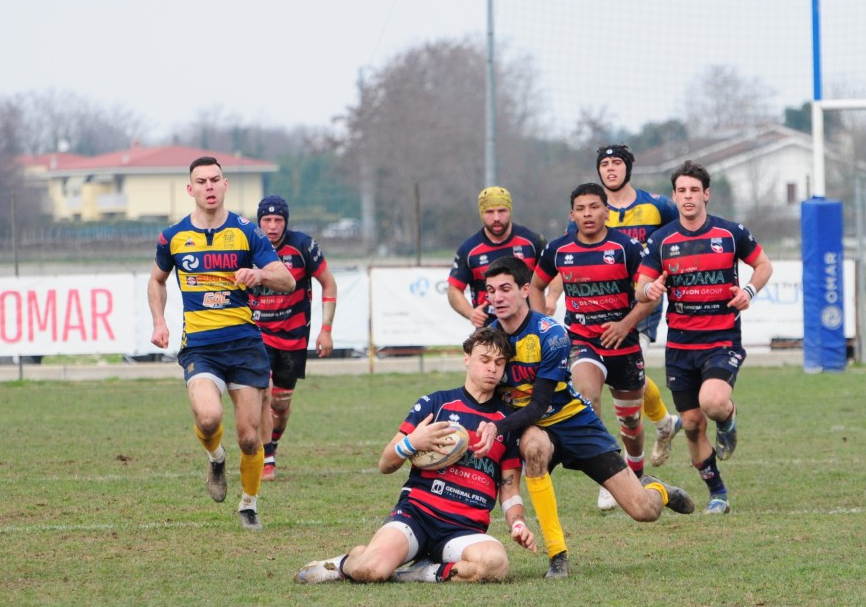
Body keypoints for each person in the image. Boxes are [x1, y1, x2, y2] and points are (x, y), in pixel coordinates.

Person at [475, 255, 694, 579]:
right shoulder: (488, 338)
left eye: (505, 289)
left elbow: (539, 405)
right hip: (532, 428)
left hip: (573, 422)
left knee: (644, 511)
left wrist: (496, 427)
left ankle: (657, 490)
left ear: (524, 290)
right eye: (491, 290)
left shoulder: (551, 334)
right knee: (533, 448)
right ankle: (558, 556)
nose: (497, 297)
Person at [293, 327, 538, 584]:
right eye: (484, 360)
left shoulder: (506, 422)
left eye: (499, 362)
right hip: (417, 515)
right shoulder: (435, 404)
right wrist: (412, 442)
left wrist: (518, 524)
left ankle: (419, 572)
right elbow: (385, 464)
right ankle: (345, 563)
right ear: (466, 358)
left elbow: (510, 490)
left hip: (464, 529)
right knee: (371, 571)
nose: (492, 368)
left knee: (495, 563)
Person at [148, 156, 296, 530]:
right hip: (200, 348)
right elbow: (157, 280)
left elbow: (287, 280)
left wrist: (259, 274)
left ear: (225, 184)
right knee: (209, 417)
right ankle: (216, 458)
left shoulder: (248, 232)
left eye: (215, 179)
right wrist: (159, 321)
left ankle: (248, 505)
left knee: (249, 438)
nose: (209, 187)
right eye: (201, 181)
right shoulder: (173, 236)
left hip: (244, 347)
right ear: (191, 189)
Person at [635, 160, 773, 516]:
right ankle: (718, 494)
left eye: (694, 190)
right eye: (681, 190)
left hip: (721, 339)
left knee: (713, 403)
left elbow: (764, 265)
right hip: (680, 346)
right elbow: (640, 288)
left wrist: (749, 291)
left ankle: (727, 420)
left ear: (706, 194)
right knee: (694, 425)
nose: (688, 196)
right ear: (674, 196)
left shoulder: (730, 234)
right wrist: (650, 290)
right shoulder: (661, 240)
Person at [531, 183, 658, 512]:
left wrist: (625, 324)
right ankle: (608, 475)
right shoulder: (559, 249)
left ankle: (635, 470)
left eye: (594, 207)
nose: (587, 214)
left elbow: (650, 295)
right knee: (587, 396)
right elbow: (536, 285)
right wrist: (540, 325)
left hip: (624, 344)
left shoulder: (627, 247)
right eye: (581, 209)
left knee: (631, 423)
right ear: (572, 215)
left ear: (606, 211)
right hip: (582, 340)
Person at [584, 144, 684, 467]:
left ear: (628, 168)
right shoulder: (590, 209)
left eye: (617, 162)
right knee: (625, 378)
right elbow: (575, 251)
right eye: (605, 164)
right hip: (604, 306)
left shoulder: (658, 206)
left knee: (622, 379)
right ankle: (665, 423)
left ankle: (623, 470)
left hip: (643, 305)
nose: (610, 168)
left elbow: (683, 236)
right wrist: (551, 294)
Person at [249, 195, 339, 481]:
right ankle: (267, 457)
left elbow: (329, 284)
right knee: (263, 391)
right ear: (259, 222)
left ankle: (272, 443)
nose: (272, 226)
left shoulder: (303, 246)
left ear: (285, 221)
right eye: (266, 220)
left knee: (280, 403)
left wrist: (326, 329)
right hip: (258, 333)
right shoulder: (248, 245)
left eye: (278, 220)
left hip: (293, 336)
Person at [447, 186, 544, 328]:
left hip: (528, 327)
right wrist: (470, 313)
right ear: (481, 213)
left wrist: (551, 298)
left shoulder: (532, 242)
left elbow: (556, 269)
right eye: (489, 212)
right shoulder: (469, 250)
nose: (496, 218)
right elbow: (454, 289)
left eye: (502, 211)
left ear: (510, 211)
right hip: (489, 330)